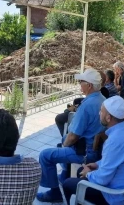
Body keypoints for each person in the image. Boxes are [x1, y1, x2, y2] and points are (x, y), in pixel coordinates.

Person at [37, 68, 105, 203]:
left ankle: (54, 192)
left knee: (45, 155)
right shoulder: (102, 99)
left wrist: (64, 145)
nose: (80, 84)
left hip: (86, 152)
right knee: (62, 142)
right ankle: (64, 173)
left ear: (89, 85)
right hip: (96, 148)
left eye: (81, 82)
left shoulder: (87, 106)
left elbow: (73, 137)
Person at [63, 96, 124, 204]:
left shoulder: (114, 141)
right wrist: (97, 164)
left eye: (101, 111)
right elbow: (117, 158)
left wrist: (88, 174)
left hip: (114, 195)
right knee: (80, 171)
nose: (99, 114)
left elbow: (102, 179)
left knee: (67, 184)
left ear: (108, 118)